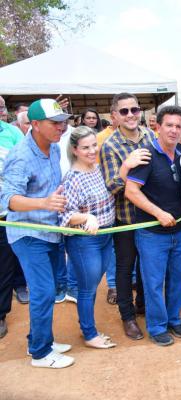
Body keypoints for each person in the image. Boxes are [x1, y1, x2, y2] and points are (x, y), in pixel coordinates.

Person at [0, 99, 75, 368]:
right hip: (29, 234)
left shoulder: (54, 148)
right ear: (34, 125)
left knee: (52, 288)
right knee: (43, 291)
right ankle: (40, 353)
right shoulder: (20, 156)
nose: (61, 126)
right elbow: (6, 200)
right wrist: (43, 203)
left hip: (51, 230)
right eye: (55, 122)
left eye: (62, 120)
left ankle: (40, 339)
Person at [125, 105, 181, 346]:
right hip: (152, 233)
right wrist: (158, 213)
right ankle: (157, 326)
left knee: (180, 279)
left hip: (180, 232)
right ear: (157, 127)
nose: (173, 130)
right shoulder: (146, 156)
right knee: (153, 283)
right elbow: (131, 191)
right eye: (169, 125)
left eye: (178, 126)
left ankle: (173, 318)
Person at [100, 93, 152, 340]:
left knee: (146, 265)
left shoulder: (151, 136)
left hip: (151, 215)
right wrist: (127, 166)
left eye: (135, 109)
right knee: (124, 268)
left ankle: (142, 304)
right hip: (126, 218)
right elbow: (111, 187)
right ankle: (127, 316)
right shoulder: (110, 146)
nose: (130, 115)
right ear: (114, 116)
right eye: (124, 111)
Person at [59, 126, 117, 349]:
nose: (92, 150)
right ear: (75, 150)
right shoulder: (72, 178)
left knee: (92, 284)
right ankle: (90, 334)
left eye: (94, 145)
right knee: (87, 288)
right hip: (85, 241)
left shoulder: (97, 168)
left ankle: (88, 327)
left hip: (105, 236)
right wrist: (85, 216)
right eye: (86, 147)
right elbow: (65, 215)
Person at [0, 100, 27, 338]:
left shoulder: (12, 133)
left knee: (4, 265)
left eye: (1, 107)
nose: (1, 111)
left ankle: (0, 315)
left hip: (5, 213)